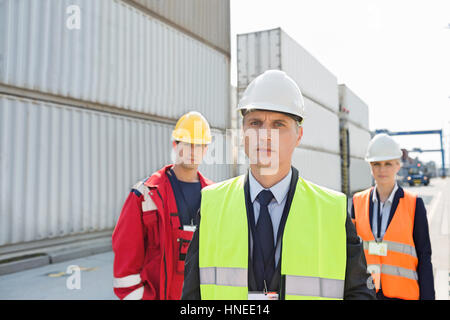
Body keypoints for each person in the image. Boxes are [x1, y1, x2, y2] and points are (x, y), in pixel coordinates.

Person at [182, 70, 375, 300]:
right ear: (243, 132)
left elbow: (360, 293)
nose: (265, 135)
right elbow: (192, 298)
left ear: (299, 135)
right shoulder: (212, 205)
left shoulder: (331, 211)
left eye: (278, 124)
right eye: (255, 123)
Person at [112, 111, 214, 300]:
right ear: (175, 145)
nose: (193, 151)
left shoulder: (215, 196)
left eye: (199, 145)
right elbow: (125, 268)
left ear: (206, 149)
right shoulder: (145, 195)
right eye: (187, 144)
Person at [351, 133, 435, 300]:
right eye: (376, 164)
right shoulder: (357, 202)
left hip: (403, 295)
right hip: (367, 293)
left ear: (398, 165)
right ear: (370, 166)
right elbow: (352, 254)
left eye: (388, 164)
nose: (382, 169)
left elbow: (424, 256)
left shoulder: (414, 204)